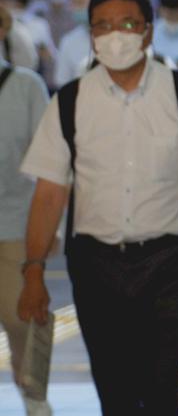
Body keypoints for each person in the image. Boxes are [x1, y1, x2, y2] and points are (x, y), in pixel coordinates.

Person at [16, 0, 178, 415]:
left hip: (169, 263)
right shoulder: (69, 102)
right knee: (114, 388)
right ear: (91, 35)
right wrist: (33, 271)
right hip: (96, 265)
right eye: (102, 25)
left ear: (148, 32)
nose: (114, 35)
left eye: (127, 24)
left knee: (161, 385)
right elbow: (48, 196)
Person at [0, 55, 51, 416]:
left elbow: (49, 160)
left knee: (25, 318)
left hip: (16, 221)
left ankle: (34, 396)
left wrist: (51, 226)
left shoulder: (26, 86)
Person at [54, 0, 103, 87]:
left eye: (80, 2)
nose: (74, 8)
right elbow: (62, 85)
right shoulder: (68, 41)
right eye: (72, 2)